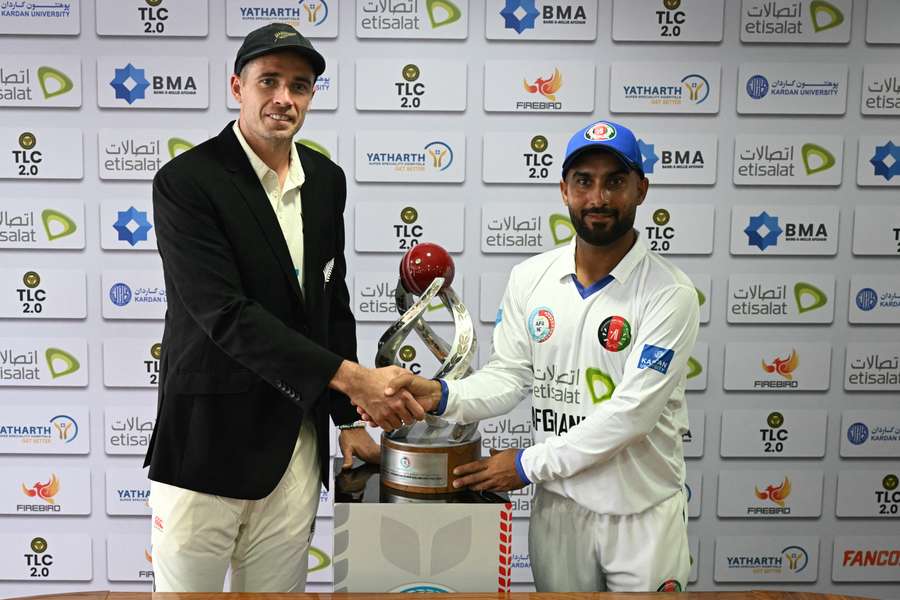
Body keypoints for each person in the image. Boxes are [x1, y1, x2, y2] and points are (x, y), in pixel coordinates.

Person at [144, 23, 423, 593]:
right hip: (206, 442)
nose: (284, 98)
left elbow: (331, 303)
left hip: (296, 447)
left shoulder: (326, 181)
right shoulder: (186, 181)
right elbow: (224, 313)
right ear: (237, 87)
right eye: (268, 81)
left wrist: (346, 417)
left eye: (300, 85)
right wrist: (354, 379)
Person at [379, 120, 700, 592]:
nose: (598, 198)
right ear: (564, 191)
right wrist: (439, 394)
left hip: (642, 515)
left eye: (615, 181)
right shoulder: (531, 277)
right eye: (584, 181)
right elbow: (508, 378)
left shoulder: (670, 293)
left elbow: (632, 415)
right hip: (560, 511)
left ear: (641, 189)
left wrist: (527, 465)